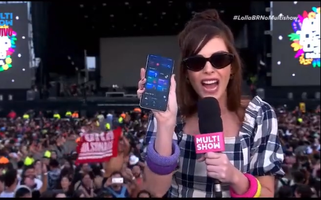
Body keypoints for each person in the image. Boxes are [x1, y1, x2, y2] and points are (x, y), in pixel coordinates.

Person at [137, 9, 284, 197]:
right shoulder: (168, 112)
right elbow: (155, 190)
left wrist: (235, 178)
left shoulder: (259, 114)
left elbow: (268, 193)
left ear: (232, 68)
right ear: (187, 75)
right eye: (197, 62)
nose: (208, 69)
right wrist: (166, 123)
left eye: (219, 60)